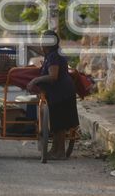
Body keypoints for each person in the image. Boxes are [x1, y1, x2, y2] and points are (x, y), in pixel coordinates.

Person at [25, 31, 78, 159]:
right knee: (56, 124)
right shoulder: (52, 53)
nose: (41, 43)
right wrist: (29, 46)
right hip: (61, 92)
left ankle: (60, 152)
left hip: (61, 93)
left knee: (59, 125)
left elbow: (53, 77)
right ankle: (55, 150)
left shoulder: (53, 56)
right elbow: (42, 52)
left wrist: (35, 80)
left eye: (43, 40)